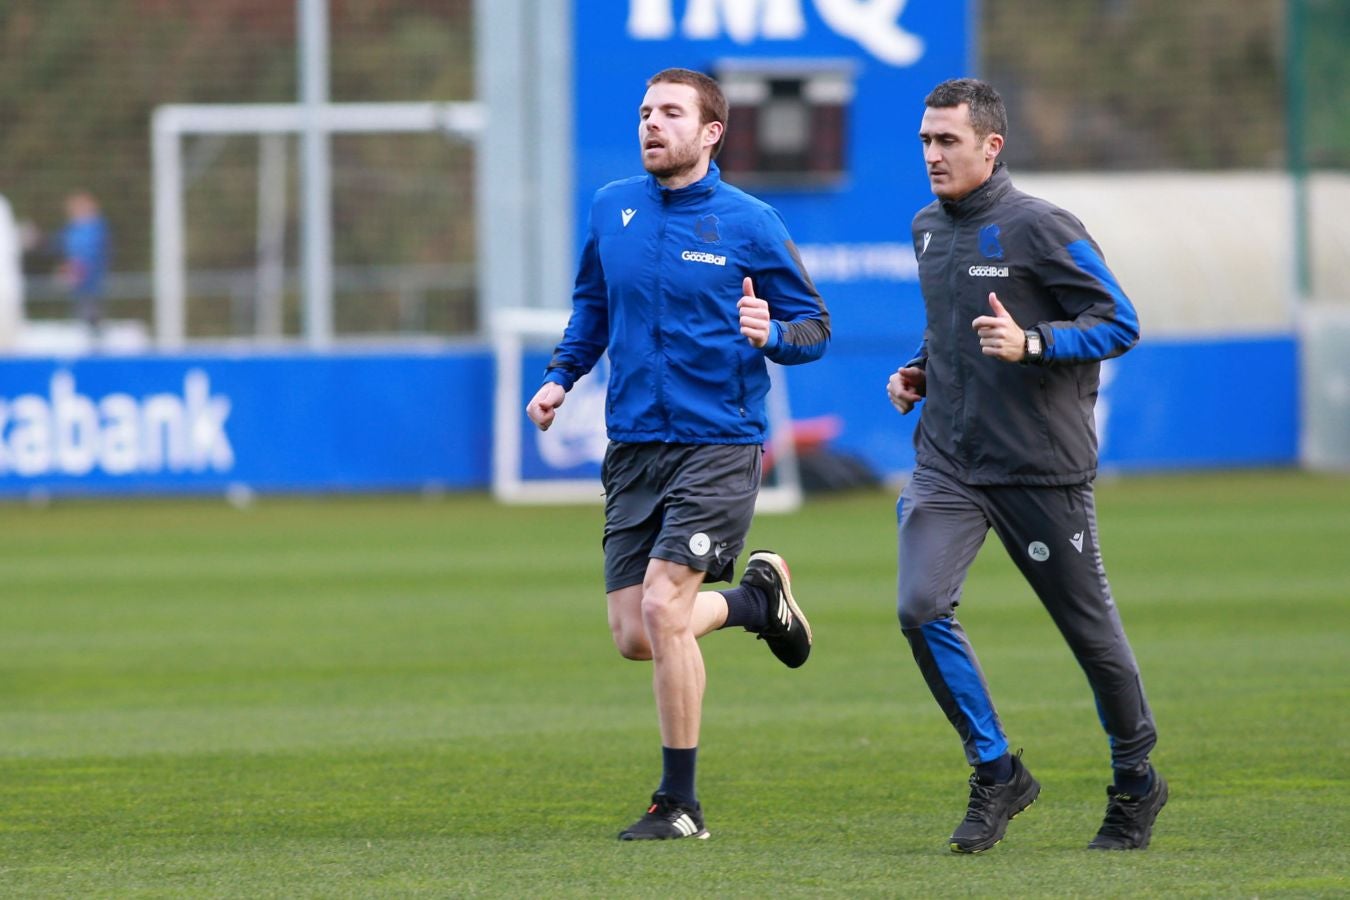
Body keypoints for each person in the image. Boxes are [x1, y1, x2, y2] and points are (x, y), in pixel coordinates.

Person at [527, 67, 830, 841]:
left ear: (711, 132)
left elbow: (814, 328)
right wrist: (560, 379)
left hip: (719, 444)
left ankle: (681, 804)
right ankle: (757, 604)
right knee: (636, 635)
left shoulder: (751, 222)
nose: (651, 124)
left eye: (669, 112)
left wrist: (773, 336)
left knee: (664, 609)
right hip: (633, 446)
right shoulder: (611, 207)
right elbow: (592, 309)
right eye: (643, 113)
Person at [887, 78, 1166, 853]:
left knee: (1091, 638)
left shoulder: (1042, 227)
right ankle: (997, 771)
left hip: (1040, 472)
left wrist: (1036, 343)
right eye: (924, 140)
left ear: (991, 146)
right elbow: (950, 330)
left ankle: (1136, 781)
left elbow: (1119, 321)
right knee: (919, 605)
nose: (933, 154)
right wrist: (920, 370)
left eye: (947, 141)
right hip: (949, 462)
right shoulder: (926, 229)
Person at [56, 191, 110, 333]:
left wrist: (76, 269)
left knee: (91, 317)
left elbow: (91, 253)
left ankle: (96, 344)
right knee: (81, 318)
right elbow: (60, 244)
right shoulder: (73, 229)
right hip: (78, 284)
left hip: (91, 283)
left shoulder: (95, 229)